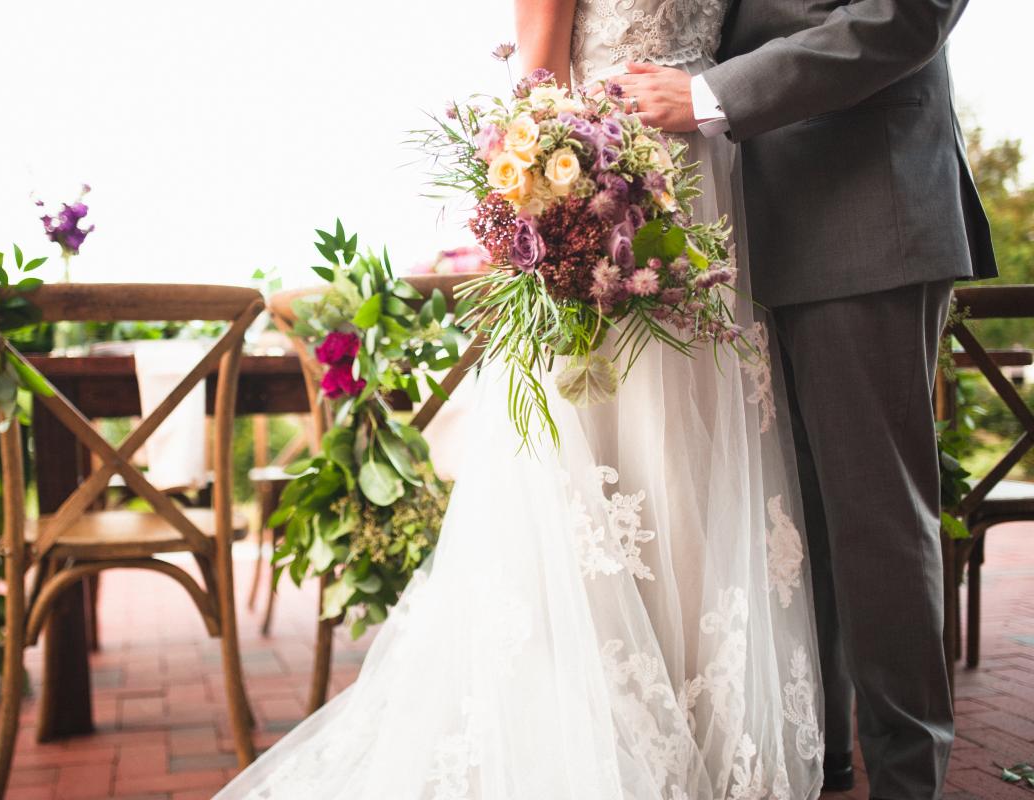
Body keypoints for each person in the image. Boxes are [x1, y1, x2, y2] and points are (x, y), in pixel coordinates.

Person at [215, 0, 833, 796]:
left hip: (712, 196)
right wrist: (554, 210)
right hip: (603, 193)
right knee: (610, 456)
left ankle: (701, 731)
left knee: (692, 464)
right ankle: (596, 744)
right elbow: (538, 74)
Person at [607, 0, 997, 797]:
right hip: (730, 229)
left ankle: (905, 775)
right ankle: (821, 755)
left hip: (865, 208)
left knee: (875, 518)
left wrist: (712, 96)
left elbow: (906, 15)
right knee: (793, 518)